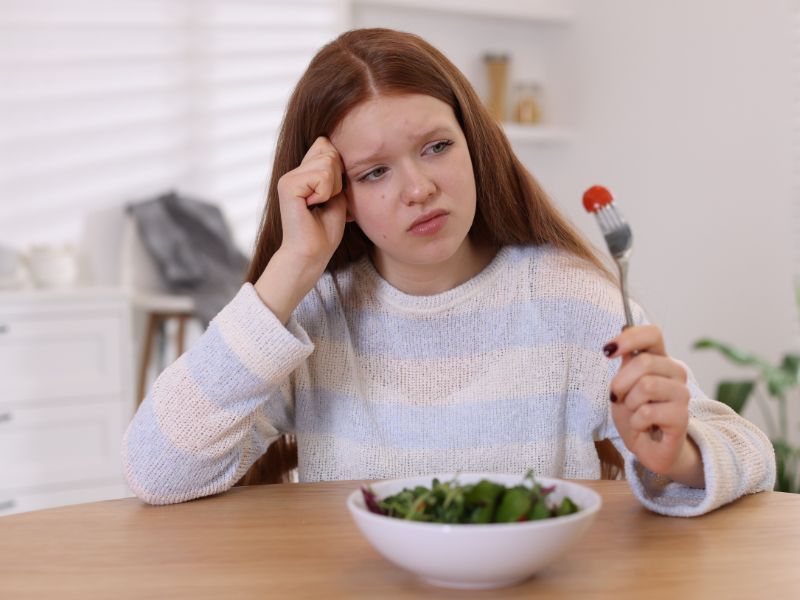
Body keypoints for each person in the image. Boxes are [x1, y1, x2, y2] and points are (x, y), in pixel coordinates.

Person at [122, 28, 775, 517]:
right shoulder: (313, 313)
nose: (419, 189)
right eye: (374, 172)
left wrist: (678, 456)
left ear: (474, 143)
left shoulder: (570, 299)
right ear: (334, 194)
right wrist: (291, 267)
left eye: (437, 147)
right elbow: (155, 469)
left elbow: (749, 454)